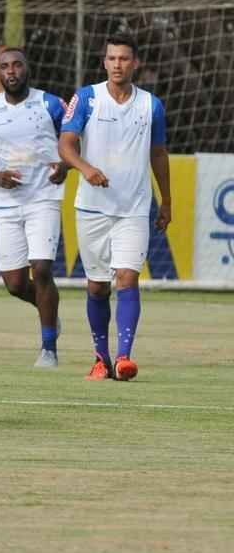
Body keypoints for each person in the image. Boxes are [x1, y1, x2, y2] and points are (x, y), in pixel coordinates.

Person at [58, 34, 169, 382]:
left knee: (128, 277)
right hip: (92, 209)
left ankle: (123, 358)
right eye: (112, 58)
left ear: (135, 63)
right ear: (104, 62)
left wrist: (167, 201)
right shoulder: (88, 98)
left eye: (124, 59)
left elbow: (158, 154)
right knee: (96, 287)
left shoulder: (151, 105)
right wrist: (85, 168)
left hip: (135, 208)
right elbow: (65, 144)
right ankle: (100, 358)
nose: (118, 64)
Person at [0, 46, 68, 367]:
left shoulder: (51, 104)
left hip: (44, 198)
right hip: (7, 204)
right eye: (5, 67)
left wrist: (65, 166)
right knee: (14, 285)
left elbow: (74, 141)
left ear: (28, 69)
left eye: (17, 65)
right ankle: (47, 309)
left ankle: (48, 348)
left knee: (41, 269)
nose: (11, 71)